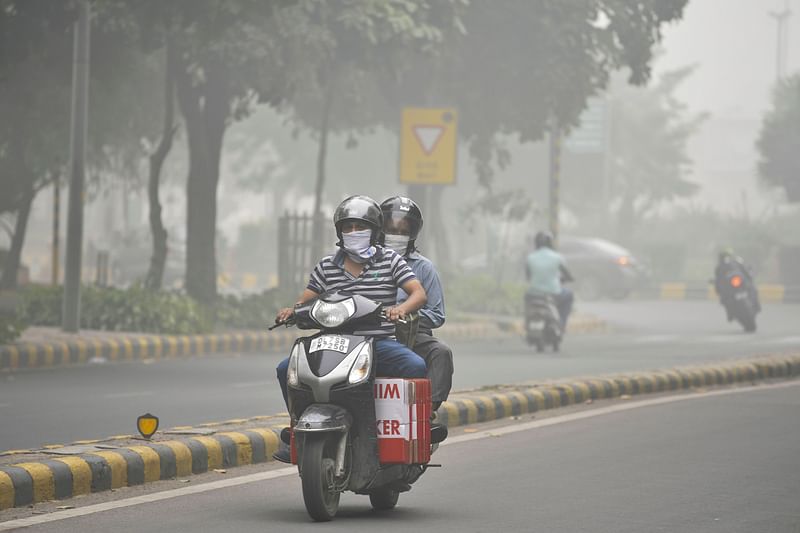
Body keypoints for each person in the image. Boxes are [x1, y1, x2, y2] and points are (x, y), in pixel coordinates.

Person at [272, 195, 428, 462]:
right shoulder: (326, 266)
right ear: (339, 232)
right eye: (348, 228)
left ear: (375, 231)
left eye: (360, 227)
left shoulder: (389, 260)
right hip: (332, 343)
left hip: (377, 343)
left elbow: (418, 294)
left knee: (415, 366)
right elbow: (306, 299)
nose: (353, 233)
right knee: (286, 369)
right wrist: (291, 310)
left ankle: (410, 434)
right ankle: (297, 431)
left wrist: (401, 309)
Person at [380, 196, 454, 412]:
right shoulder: (366, 262)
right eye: (391, 230)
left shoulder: (424, 268)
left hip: (411, 335)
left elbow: (437, 315)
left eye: (403, 232)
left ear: (412, 234)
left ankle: (427, 411)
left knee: (441, 353)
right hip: (371, 332)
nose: (396, 236)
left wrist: (406, 315)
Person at [525, 231, 574, 329]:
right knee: (569, 295)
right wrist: (567, 279)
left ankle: (527, 323)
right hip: (553, 294)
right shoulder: (557, 257)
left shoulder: (530, 257)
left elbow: (528, 277)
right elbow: (566, 274)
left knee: (526, 299)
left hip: (533, 294)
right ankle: (561, 324)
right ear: (550, 243)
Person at [714, 248, 761, 319]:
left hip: (741, 282)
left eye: (727, 256)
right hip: (729, 287)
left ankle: (756, 305)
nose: (726, 258)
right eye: (724, 257)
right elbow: (718, 280)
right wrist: (719, 287)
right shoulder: (719, 268)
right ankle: (730, 312)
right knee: (723, 298)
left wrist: (749, 275)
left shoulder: (736, 262)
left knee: (753, 289)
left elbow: (745, 270)